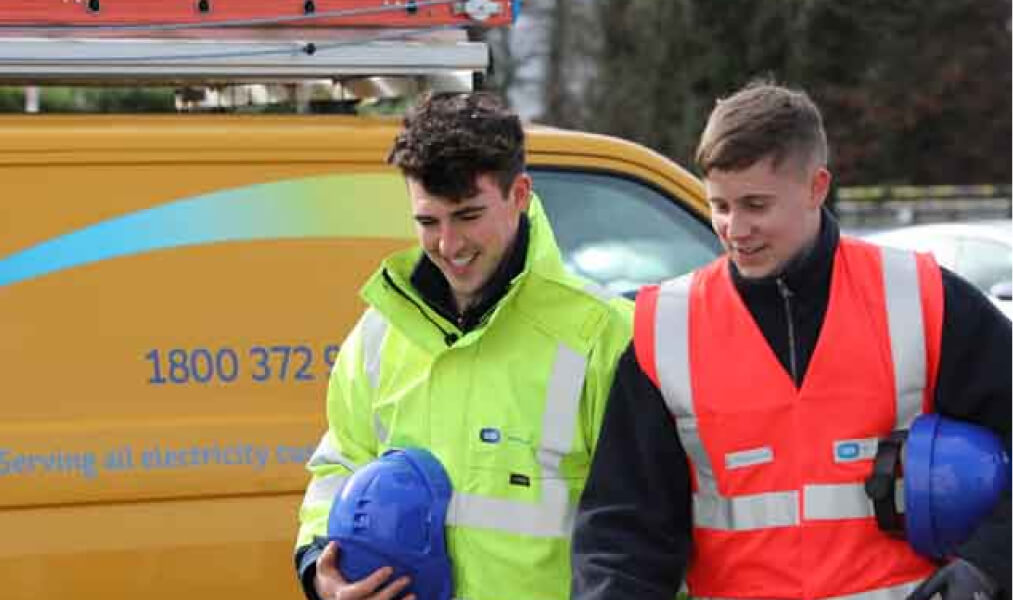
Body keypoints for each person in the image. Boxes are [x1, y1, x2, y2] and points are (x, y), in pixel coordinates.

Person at [571, 81, 1011, 600]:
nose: (736, 229)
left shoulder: (920, 298)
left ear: (816, 187)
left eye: (756, 205)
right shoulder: (668, 327)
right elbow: (622, 531)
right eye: (720, 206)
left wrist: (989, 565)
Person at [293, 91, 632, 600]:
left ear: (519, 194)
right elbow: (338, 468)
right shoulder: (379, 333)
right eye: (428, 222)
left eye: (468, 216)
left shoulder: (605, 336)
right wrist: (323, 567)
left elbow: (645, 536)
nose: (449, 246)